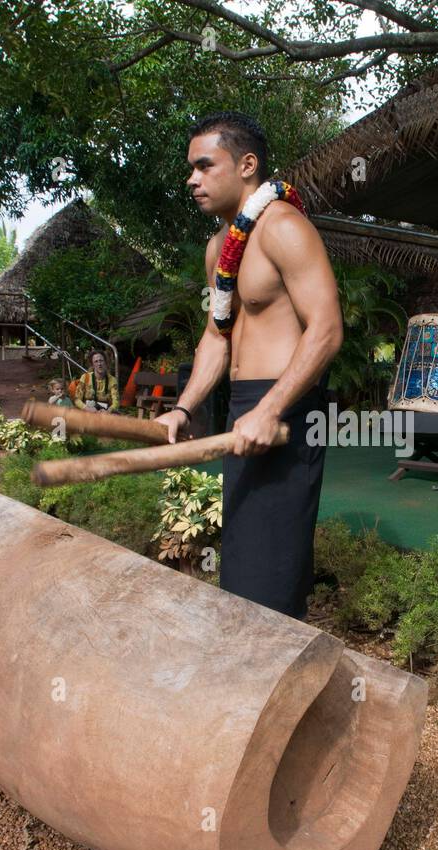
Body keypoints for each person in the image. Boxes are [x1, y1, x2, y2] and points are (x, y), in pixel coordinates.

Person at [153, 111, 343, 619]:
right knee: (239, 571)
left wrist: (272, 408)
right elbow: (217, 337)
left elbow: (326, 329)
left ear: (247, 165)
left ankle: (287, 689)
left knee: (272, 578)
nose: (191, 179)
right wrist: (185, 409)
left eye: (203, 165)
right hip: (243, 410)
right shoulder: (218, 246)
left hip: (287, 413)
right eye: (190, 169)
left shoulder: (284, 227)